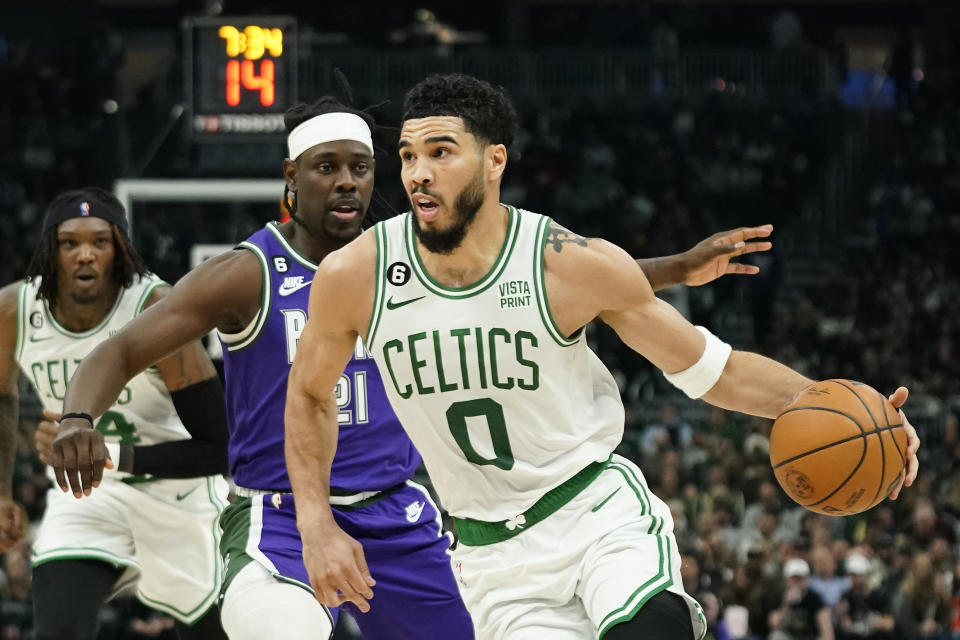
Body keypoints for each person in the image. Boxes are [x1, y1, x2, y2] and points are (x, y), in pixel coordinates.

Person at [47, 95, 775, 639]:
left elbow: (565, 275)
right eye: (325, 169)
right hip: (283, 522)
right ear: (290, 179)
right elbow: (120, 347)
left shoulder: (406, 262)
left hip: (399, 515)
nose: (345, 184)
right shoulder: (249, 272)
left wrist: (674, 268)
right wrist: (79, 416)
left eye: (360, 169)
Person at [283, 73, 920, 640]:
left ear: (494, 160)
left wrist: (844, 408)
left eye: (441, 153)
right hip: (489, 555)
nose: (418, 172)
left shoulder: (567, 263)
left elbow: (710, 368)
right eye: (408, 156)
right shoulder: (355, 276)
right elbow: (310, 394)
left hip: (593, 515)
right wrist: (316, 524)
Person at [0, 188, 229, 640]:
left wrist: (106, 453)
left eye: (100, 243)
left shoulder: (157, 307)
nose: (85, 255)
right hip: (87, 497)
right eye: (70, 244)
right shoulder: (14, 311)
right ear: (50, 250)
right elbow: (2, 399)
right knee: (59, 628)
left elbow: (222, 447)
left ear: (119, 250)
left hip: (177, 494)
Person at [768, 558, 834, 640]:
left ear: (807, 579)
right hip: (788, 637)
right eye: (794, 578)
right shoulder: (779, 596)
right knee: (776, 636)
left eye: (801, 578)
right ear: (787, 579)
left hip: (810, 637)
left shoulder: (814, 597)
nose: (797, 582)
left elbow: (827, 631)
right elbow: (774, 624)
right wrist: (787, 604)